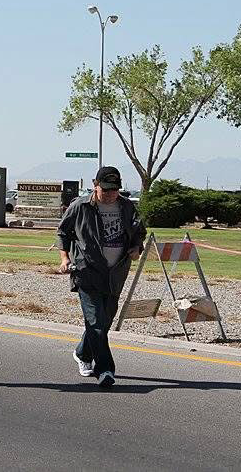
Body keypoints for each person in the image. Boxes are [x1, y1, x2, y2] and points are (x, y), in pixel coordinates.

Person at [57, 166, 146, 389]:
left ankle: (82, 353)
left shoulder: (127, 207)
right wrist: (65, 258)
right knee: (95, 321)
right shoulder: (81, 206)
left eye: (114, 190)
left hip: (115, 273)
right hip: (87, 271)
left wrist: (137, 247)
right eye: (105, 190)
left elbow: (139, 232)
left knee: (104, 322)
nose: (110, 194)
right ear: (95, 185)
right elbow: (63, 232)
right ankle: (105, 370)